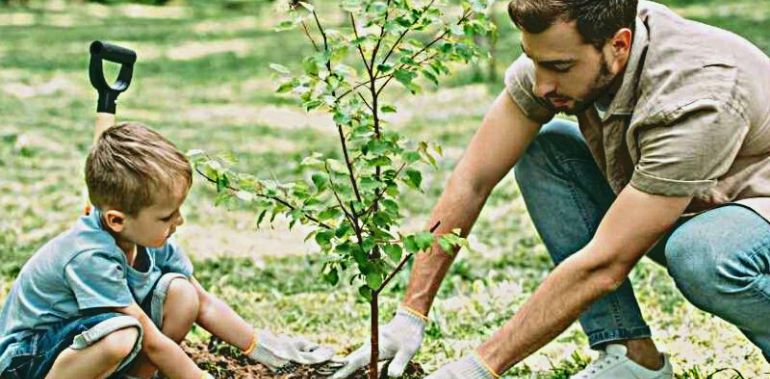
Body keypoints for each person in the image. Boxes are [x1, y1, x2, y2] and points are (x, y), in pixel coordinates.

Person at [332, 0, 770, 378]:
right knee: (547, 153)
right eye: (534, 59)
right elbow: (474, 177)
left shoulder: (697, 96)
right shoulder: (567, 53)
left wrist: (479, 367)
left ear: (619, 45)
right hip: (692, 200)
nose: (542, 84)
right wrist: (410, 313)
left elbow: (606, 264)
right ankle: (632, 358)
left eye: (559, 67)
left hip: (752, 211)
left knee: (702, 254)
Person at [0, 122, 334, 379]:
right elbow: (150, 339)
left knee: (182, 293)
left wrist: (259, 346)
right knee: (124, 333)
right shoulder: (89, 256)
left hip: (86, 341)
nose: (180, 220)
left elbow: (203, 302)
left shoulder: (150, 239)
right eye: (166, 215)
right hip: (29, 357)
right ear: (117, 220)